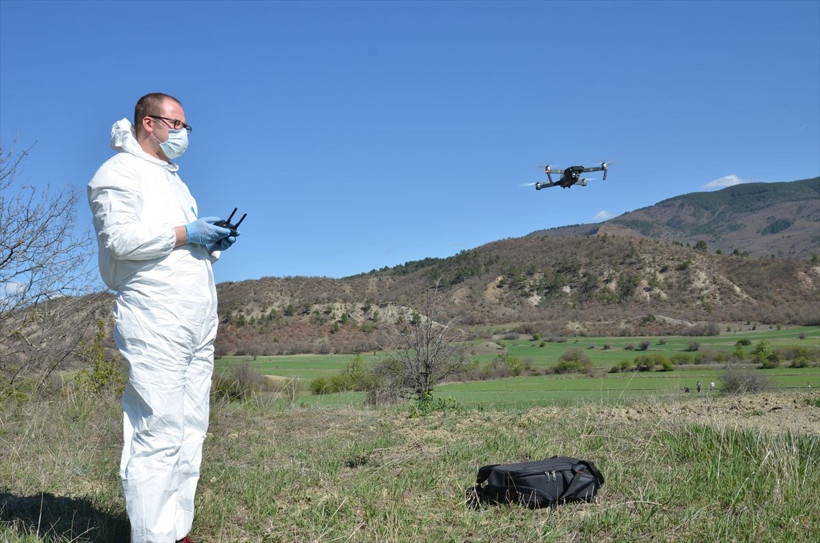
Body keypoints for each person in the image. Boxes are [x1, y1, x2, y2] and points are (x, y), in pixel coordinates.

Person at [88, 93, 237, 543]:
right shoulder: (116, 174)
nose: (183, 134)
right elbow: (120, 241)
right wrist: (186, 232)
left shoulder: (175, 182)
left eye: (185, 126)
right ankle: (151, 536)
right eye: (176, 125)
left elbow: (171, 247)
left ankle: (177, 529)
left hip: (195, 320)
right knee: (158, 430)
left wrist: (205, 242)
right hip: (154, 318)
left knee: (191, 429)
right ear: (148, 123)